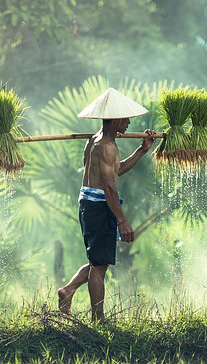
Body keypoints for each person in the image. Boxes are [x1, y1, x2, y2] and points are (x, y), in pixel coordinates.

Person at [57, 88, 156, 322]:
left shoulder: (95, 140)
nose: (129, 122)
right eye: (126, 118)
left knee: (97, 261)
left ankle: (68, 291)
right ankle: (98, 320)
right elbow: (110, 187)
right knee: (100, 268)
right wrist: (122, 221)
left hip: (88, 204)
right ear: (115, 120)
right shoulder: (107, 146)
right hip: (99, 206)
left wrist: (142, 150)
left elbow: (116, 170)